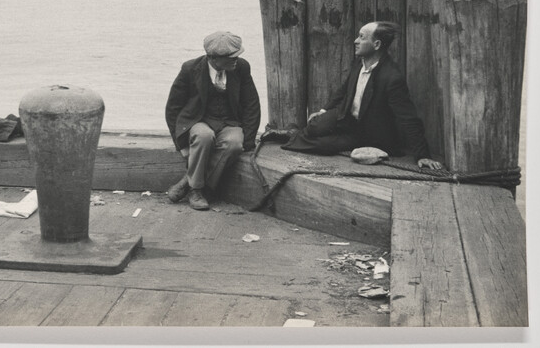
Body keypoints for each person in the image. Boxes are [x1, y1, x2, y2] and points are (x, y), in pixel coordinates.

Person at [282, 21, 442, 170]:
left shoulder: (392, 77)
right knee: (315, 125)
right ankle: (294, 135)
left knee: (324, 146)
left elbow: (408, 118)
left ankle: (288, 137)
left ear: (377, 44)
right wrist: (324, 111)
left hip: (367, 131)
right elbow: (344, 90)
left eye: (361, 37)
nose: (355, 41)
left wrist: (423, 155)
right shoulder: (359, 62)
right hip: (346, 117)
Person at [165, 31, 261, 210]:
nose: (236, 60)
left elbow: (252, 105)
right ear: (214, 58)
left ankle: (188, 182)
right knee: (204, 136)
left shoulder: (241, 67)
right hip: (198, 120)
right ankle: (196, 190)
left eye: (237, 56)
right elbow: (173, 108)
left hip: (229, 122)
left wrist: (248, 140)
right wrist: (181, 145)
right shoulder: (189, 69)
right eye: (232, 57)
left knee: (234, 143)